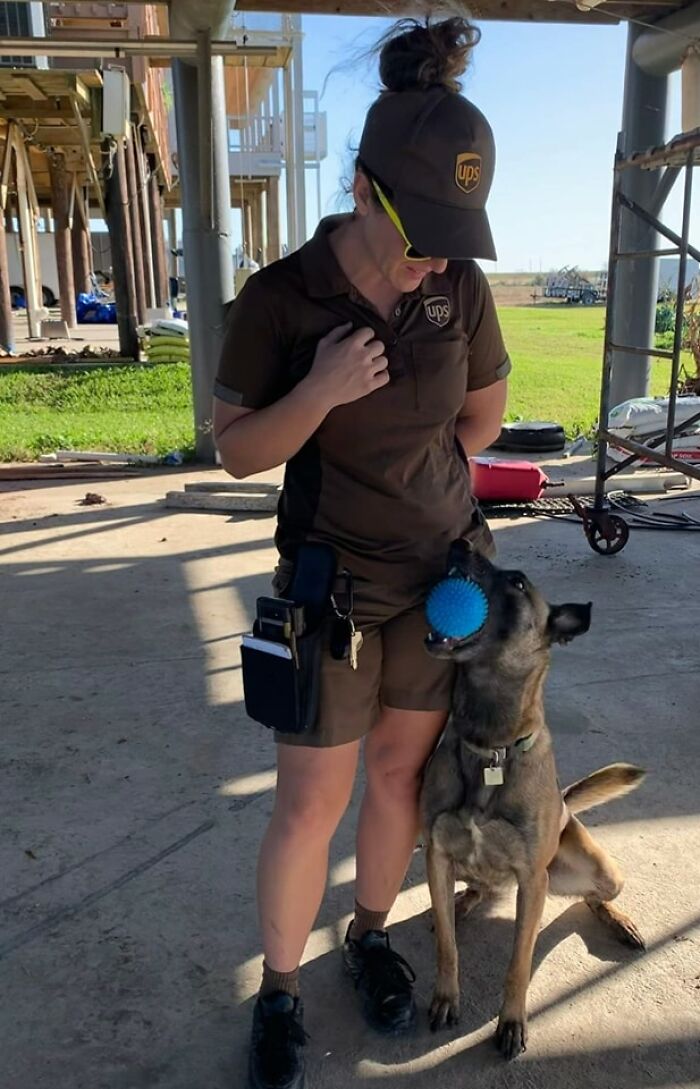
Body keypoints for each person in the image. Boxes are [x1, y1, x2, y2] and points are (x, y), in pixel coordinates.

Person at [213, 16, 511, 1089]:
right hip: (328, 585)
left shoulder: (458, 288)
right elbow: (238, 450)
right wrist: (321, 392)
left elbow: (481, 422)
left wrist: (421, 490)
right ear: (361, 187)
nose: (436, 254)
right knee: (310, 801)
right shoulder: (282, 297)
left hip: (437, 581)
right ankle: (280, 991)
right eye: (419, 230)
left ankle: (370, 935)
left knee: (398, 776)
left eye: (453, 234)